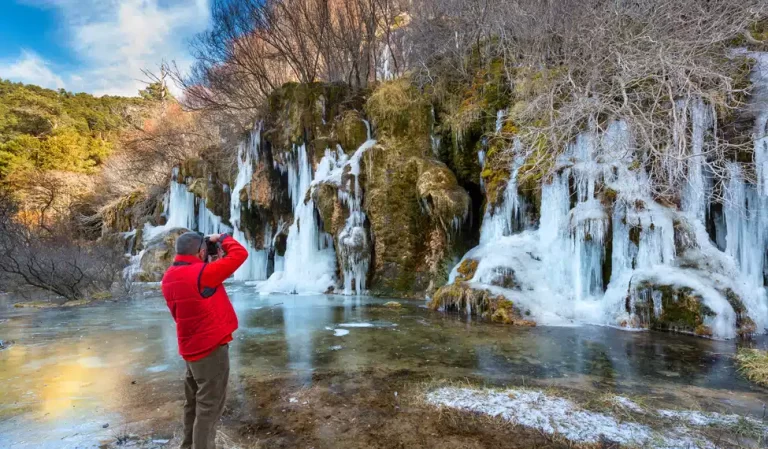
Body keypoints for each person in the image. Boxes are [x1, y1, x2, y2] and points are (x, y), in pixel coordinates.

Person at [161, 232, 247, 449]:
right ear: (200, 251)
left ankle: (187, 445)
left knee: (193, 404)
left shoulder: (169, 277)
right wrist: (223, 238)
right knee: (209, 408)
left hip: (190, 349)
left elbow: (189, 304)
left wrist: (211, 261)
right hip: (211, 350)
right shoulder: (204, 274)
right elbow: (239, 254)